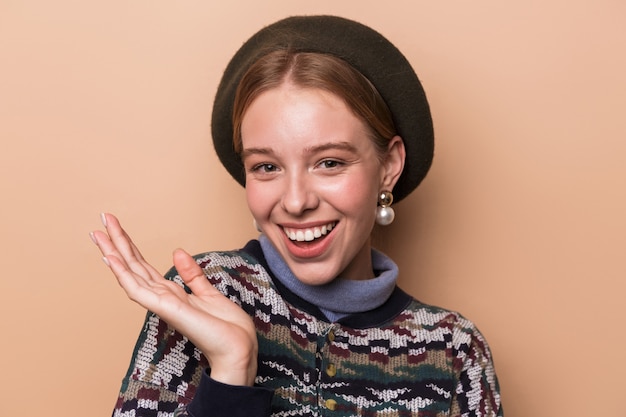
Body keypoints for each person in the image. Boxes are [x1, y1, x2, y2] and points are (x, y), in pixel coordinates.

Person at [90, 15, 503, 417]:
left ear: (389, 165)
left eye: (329, 162)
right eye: (267, 167)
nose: (294, 201)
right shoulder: (203, 298)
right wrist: (232, 372)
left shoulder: (451, 350)